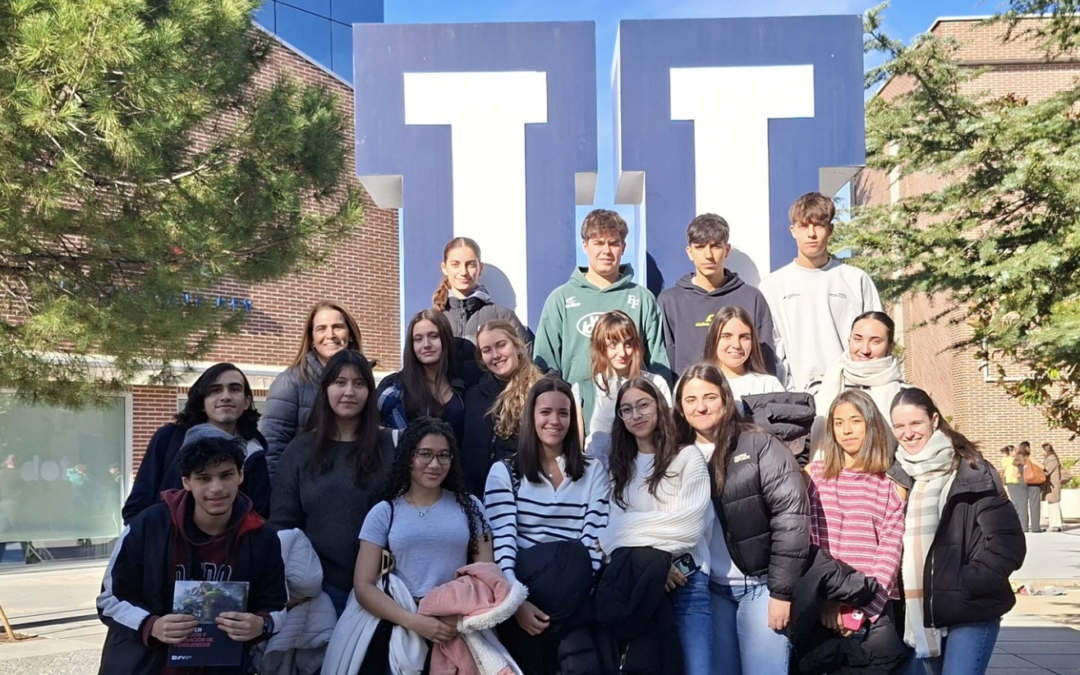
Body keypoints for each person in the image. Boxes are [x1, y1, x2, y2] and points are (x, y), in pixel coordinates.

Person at [97, 435, 287, 675]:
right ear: (186, 482)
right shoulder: (148, 525)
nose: (216, 488)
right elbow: (109, 599)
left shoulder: (262, 536)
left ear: (240, 475)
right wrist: (151, 625)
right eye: (203, 478)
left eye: (226, 475)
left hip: (221, 666)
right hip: (146, 665)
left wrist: (261, 624)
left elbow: (277, 607)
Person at [673, 363, 809, 675]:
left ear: (725, 397)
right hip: (708, 590)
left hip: (761, 588)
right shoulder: (675, 454)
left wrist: (781, 593)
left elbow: (791, 518)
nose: (701, 407)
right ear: (680, 407)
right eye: (690, 400)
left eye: (709, 396)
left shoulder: (760, 444)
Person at [891, 388, 1025, 675]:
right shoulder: (897, 475)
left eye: (916, 423)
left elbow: (1008, 542)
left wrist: (966, 582)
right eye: (899, 426)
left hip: (971, 608)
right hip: (919, 614)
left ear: (935, 420)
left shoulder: (972, 470)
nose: (908, 433)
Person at [483, 378, 610, 674]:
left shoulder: (593, 472)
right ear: (531, 417)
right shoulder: (505, 473)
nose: (555, 421)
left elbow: (595, 537)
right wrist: (517, 605)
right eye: (546, 412)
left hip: (574, 588)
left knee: (576, 555)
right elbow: (502, 543)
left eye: (563, 413)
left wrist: (574, 595)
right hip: (524, 589)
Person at [270, 350, 396, 617]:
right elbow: (283, 523)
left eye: (359, 383)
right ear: (325, 389)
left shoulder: (391, 446)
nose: (349, 391)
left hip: (383, 589)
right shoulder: (300, 450)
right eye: (340, 382)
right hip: (318, 592)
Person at [599, 377, 711, 675]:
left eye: (643, 405)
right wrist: (653, 567)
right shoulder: (619, 470)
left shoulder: (688, 458)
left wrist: (623, 530)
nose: (636, 415)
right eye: (626, 409)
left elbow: (689, 527)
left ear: (659, 407)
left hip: (687, 582)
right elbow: (612, 538)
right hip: (640, 587)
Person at [354, 417, 493, 645]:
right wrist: (414, 621)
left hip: (458, 628)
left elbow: (487, 575)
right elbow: (363, 586)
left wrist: (455, 617)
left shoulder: (472, 507)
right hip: (399, 631)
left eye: (443, 455)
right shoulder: (384, 512)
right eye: (425, 454)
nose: (435, 464)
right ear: (409, 457)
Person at [806, 389, 906, 664]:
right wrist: (826, 603)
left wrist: (859, 610)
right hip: (822, 607)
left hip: (874, 607)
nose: (846, 430)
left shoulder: (890, 483)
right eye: (838, 422)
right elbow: (810, 542)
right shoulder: (814, 476)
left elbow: (890, 550)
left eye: (855, 420)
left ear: (870, 423)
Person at [759, 192, 882, 392]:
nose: (811, 234)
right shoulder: (773, 286)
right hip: (798, 400)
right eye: (804, 226)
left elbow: (876, 339)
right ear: (793, 230)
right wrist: (790, 393)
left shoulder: (856, 279)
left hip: (852, 394)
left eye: (818, 225)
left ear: (830, 229)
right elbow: (771, 348)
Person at [533, 209, 670, 386]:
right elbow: (545, 366)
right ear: (585, 245)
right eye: (598, 243)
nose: (606, 250)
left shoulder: (642, 298)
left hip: (632, 408)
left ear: (623, 247)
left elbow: (658, 362)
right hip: (577, 407)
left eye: (613, 243)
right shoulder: (561, 299)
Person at [123, 363, 271, 523]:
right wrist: (150, 541)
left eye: (234, 389)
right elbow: (137, 506)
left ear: (246, 402)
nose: (226, 396)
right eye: (215, 390)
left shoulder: (254, 453)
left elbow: (259, 517)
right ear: (201, 402)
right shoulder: (169, 439)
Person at [658, 213, 776, 377]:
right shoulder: (669, 301)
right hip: (689, 399)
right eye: (700, 247)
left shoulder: (752, 298)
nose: (708, 255)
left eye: (715, 246)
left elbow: (766, 361)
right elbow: (664, 361)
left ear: (727, 250)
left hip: (745, 400)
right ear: (689, 252)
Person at [263, 300, 364, 477]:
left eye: (338, 327)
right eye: (321, 328)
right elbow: (273, 450)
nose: (330, 334)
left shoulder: (363, 381)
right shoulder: (290, 382)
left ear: (350, 335)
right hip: (303, 490)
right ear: (312, 340)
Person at [571, 310, 672, 468]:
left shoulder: (656, 383)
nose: (622, 352)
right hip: (597, 482)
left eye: (628, 344)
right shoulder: (583, 389)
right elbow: (575, 448)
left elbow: (667, 435)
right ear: (600, 347)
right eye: (613, 345)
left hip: (646, 477)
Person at [433, 237, 531, 388]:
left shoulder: (503, 316)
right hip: (444, 409)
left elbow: (529, 364)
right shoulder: (432, 320)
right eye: (455, 264)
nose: (463, 272)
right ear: (444, 268)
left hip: (492, 407)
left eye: (470, 264)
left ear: (481, 268)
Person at [461, 320, 543, 497]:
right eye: (486, 350)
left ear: (517, 345)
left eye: (501, 345)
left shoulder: (540, 392)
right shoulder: (472, 396)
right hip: (478, 500)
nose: (496, 355)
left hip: (526, 501)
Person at [809, 311, 908, 451]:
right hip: (825, 470)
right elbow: (805, 441)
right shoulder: (819, 386)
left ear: (890, 346)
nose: (865, 349)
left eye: (875, 341)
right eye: (857, 339)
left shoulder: (903, 393)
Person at [377, 309, 466, 443]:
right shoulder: (393, 388)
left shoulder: (462, 385)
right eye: (418, 339)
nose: (426, 345)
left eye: (434, 336)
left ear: (446, 338)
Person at [703, 305, 786, 403]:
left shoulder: (769, 385)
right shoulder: (696, 384)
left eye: (744, 337)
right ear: (713, 340)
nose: (736, 345)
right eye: (726, 336)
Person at [1010, 442, 1043, 533]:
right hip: (1033, 482)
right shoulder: (1030, 457)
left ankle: (1024, 527)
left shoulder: (1017, 458)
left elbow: (1015, 474)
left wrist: (1022, 476)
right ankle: (1035, 528)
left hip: (1021, 482)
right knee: (1034, 504)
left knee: (1022, 504)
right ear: (1027, 448)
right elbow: (1042, 466)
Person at [1037, 443, 1064, 532]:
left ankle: (1055, 525)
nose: (1041, 452)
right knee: (1051, 503)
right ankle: (1053, 524)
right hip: (1050, 485)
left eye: (1042, 450)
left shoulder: (1052, 459)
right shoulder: (1049, 458)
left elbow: (1047, 471)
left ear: (1046, 450)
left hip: (1053, 485)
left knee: (1053, 503)